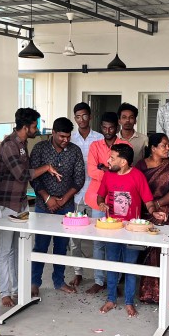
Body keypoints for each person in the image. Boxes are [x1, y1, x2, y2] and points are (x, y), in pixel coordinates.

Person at [0, 108, 60, 307]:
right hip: (6, 203)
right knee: (5, 249)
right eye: (35, 125)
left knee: (17, 248)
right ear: (25, 126)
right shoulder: (9, 144)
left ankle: (17, 290)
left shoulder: (22, 143)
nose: (37, 129)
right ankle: (5, 293)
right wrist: (46, 167)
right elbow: (22, 174)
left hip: (20, 203)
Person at [97, 144, 165, 317]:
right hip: (112, 228)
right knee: (111, 265)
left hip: (133, 230)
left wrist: (153, 212)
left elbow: (148, 201)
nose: (108, 160)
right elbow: (100, 196)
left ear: (124, 162)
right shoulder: (108, 175)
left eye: (112, 158)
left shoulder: (137, 176)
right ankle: (111, 299)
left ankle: (129, 302)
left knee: (130, 267)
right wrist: (101, 204)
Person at [29, 117, 85, 296]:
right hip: (42, 205)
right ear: (53, 133)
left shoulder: (75, 151)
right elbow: (33, 177)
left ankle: (59, 281)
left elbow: (79, 179)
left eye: (68, 137)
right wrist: (47, 198)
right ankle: (34, 282)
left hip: (65, 207)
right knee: (40, 246)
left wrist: (62, 200)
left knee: (61, 247)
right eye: (61, 136)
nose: (65, 140)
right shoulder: (40, 149)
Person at [136, 133, 169, 309]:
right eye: (164, 145)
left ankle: (167, 295)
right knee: (148, 253)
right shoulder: (141, 166)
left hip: (168, 214)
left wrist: (157, 204)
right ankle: (147, 293)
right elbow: (137, 188)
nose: (168, 148)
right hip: (146, 213)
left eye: (168, 145)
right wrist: (150, 207)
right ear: (153, 148)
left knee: (168, 254)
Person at [84, 112, 129, 295]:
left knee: (118, 241)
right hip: (98, 199)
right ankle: (98, 280)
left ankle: (114, 282)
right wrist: (112, 172)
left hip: (120, 199)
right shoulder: (95, 145)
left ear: (117, 128)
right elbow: (92, 171)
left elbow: (124, 170)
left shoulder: (125, 145)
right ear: (101, 127)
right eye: (104, 127)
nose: (108, 130)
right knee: (98, 242)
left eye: (111, 127)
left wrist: (105, 168)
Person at [68, 102, 103, 287]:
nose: (81, 119)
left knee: (99, 235)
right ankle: (78, 272)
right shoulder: (70, 138)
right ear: (75, 118)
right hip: (76, 193)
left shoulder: (99, 138)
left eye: (84, 115)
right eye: (77, 116)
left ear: (90, 116)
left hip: (96, 193)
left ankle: (99, 278)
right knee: (75, 237)